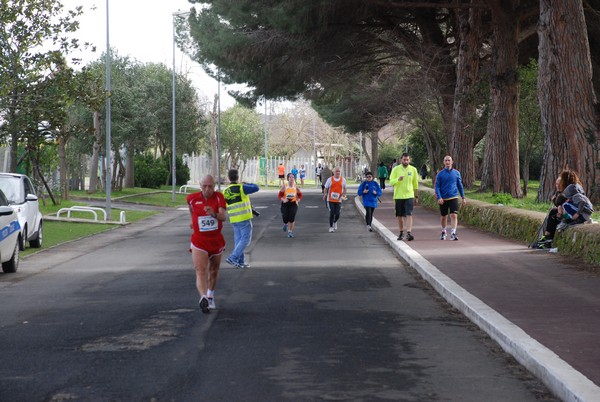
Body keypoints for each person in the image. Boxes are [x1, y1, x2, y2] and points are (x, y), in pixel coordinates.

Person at [187, 175, 227, 313]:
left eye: (210, 186)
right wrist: (193, 221)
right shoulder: (192, 199)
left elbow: (224, 217)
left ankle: (210, 295)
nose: (207, 189)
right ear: (200, 185)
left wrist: (214, 214)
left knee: (214, 271)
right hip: (199, 241)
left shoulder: (218, 197)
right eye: (204, 186)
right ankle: (203, 297)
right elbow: (191, 211)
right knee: (200, 270)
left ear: (214, 186)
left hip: (216, 241)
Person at [223, 169, 259, 269]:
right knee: (245, 240)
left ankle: (240, 262)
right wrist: (247, 183)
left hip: (234, 219)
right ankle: (233, 257)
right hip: (244, 218)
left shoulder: (225, 191)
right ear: (238, 177)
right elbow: (256, 187)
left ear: (228, 178)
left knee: (238, 240)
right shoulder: (242, 187)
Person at [434, 155, 466, 241]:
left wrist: (463, 197)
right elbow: (437, 187)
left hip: (453, 197)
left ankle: (453, 233)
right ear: (444, 162)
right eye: (446, 161)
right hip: (443, 198)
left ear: (452, 162)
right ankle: (444, 231)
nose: (447, 162)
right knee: (444, 216)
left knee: (454, 215)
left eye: (449, 160)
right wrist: (439, 197)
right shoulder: (440, 174)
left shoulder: (456, 173)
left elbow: (460, 186)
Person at [389, 153, 419, 241]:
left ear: (409, 160)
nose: (406, 161)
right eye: (404, 160)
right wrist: (398, 179)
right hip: (398, 196)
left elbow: (415, 184)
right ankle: (401, 232)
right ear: (401, 160)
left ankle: (409, 233)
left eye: (407, 160)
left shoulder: (413, 169)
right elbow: (391, 182)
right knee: (400, 215)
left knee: (409, 214)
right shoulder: (396, 169)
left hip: (409, 195)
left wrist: (416, 196)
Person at [323, 166, 347, 232]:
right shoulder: (330, 179)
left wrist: (344, 194)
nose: (338, 172)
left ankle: (335, 221)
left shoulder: (343, 180)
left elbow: (345, 188)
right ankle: (331, 227)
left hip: (339, 200)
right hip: (330, 200)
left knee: (337, 214)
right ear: (333, 172)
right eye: (336, 171)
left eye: (339, 171)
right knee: (332, 213)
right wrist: (325, 194)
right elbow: (325, 188)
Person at [279, 172, 303, 237]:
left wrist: (298, 200)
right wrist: (283, 199)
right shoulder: (285, 186)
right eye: (290, 177)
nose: (292, 178)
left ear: (294, 179)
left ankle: (290, 232)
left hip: (293, 203)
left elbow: (300, 194)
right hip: (285, 203)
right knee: (285, 218)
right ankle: (285, 224)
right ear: (288, 178)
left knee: (291, 218)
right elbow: (280, 195)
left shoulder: (296, 186)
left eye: (293, 177)